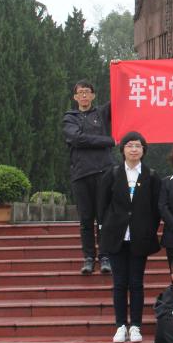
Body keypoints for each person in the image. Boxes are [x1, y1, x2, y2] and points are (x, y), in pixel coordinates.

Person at [96, 131, 162, 343]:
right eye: (130, 145)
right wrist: (105, 229)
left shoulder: (151, 175)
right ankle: (120, 325)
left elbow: (156, 209)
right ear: (122, 149)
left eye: (138, 146)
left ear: (144, 150)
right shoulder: (112, 173)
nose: (134, 149)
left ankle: (135, 326)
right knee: (119, 283)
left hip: (139, 238)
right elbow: (102, 205)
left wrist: (148, 229)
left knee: (136, 283)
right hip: (116, 236)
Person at [62, 80, 114, 275]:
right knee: (86, 218)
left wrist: (119, 69)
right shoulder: (70, 118)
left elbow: (120, 98)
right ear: (75, 97)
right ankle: (89, 258)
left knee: (103, 216)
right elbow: (77, 139)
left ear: (93, 95)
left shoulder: (101, 113)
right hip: (81, 173)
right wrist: (107, 141)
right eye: (80, 92)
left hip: (103, 172)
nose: (84, 95)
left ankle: (105, 256)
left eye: (87, 92)